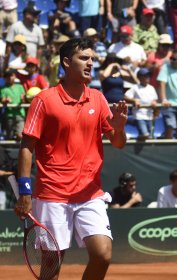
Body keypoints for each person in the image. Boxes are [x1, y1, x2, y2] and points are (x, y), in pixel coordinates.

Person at [14, 38, 128, 280]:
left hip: (90, 193)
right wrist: (25, 192)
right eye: (83, 58)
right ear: (66, 62)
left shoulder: (97, 98)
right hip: (53, 194)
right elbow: (27, 147)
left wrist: (119, 128)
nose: (90, 63)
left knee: (103, 254)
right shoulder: (44, 100)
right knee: (52, 266)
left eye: (92, 59)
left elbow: (118, 143)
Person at [124, 67, 158, 139]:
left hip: (149, 115)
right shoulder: (135, 87)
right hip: (139, 115)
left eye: (148, 75)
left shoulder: (151, 88)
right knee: (145, 134)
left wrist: (154, 103)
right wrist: (134, 100)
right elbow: (125, 97)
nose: (147, 77)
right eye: (145, 76)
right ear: (139, 77)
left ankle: (141, 143)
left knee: (150, 137)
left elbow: (155, 100)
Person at [0, 68, 26, 140]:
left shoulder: (20, 86)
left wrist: (22, 99)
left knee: (20, 135)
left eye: (11, 75)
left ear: (15, 76)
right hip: (9, 116)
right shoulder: (3, 89)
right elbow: (2, 100)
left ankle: (19, 149)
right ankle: (9, 150)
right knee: (10, 136)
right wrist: (6, 100)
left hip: (20, 114)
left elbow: (23, 101)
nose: (9, 78)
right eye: (7, 76)